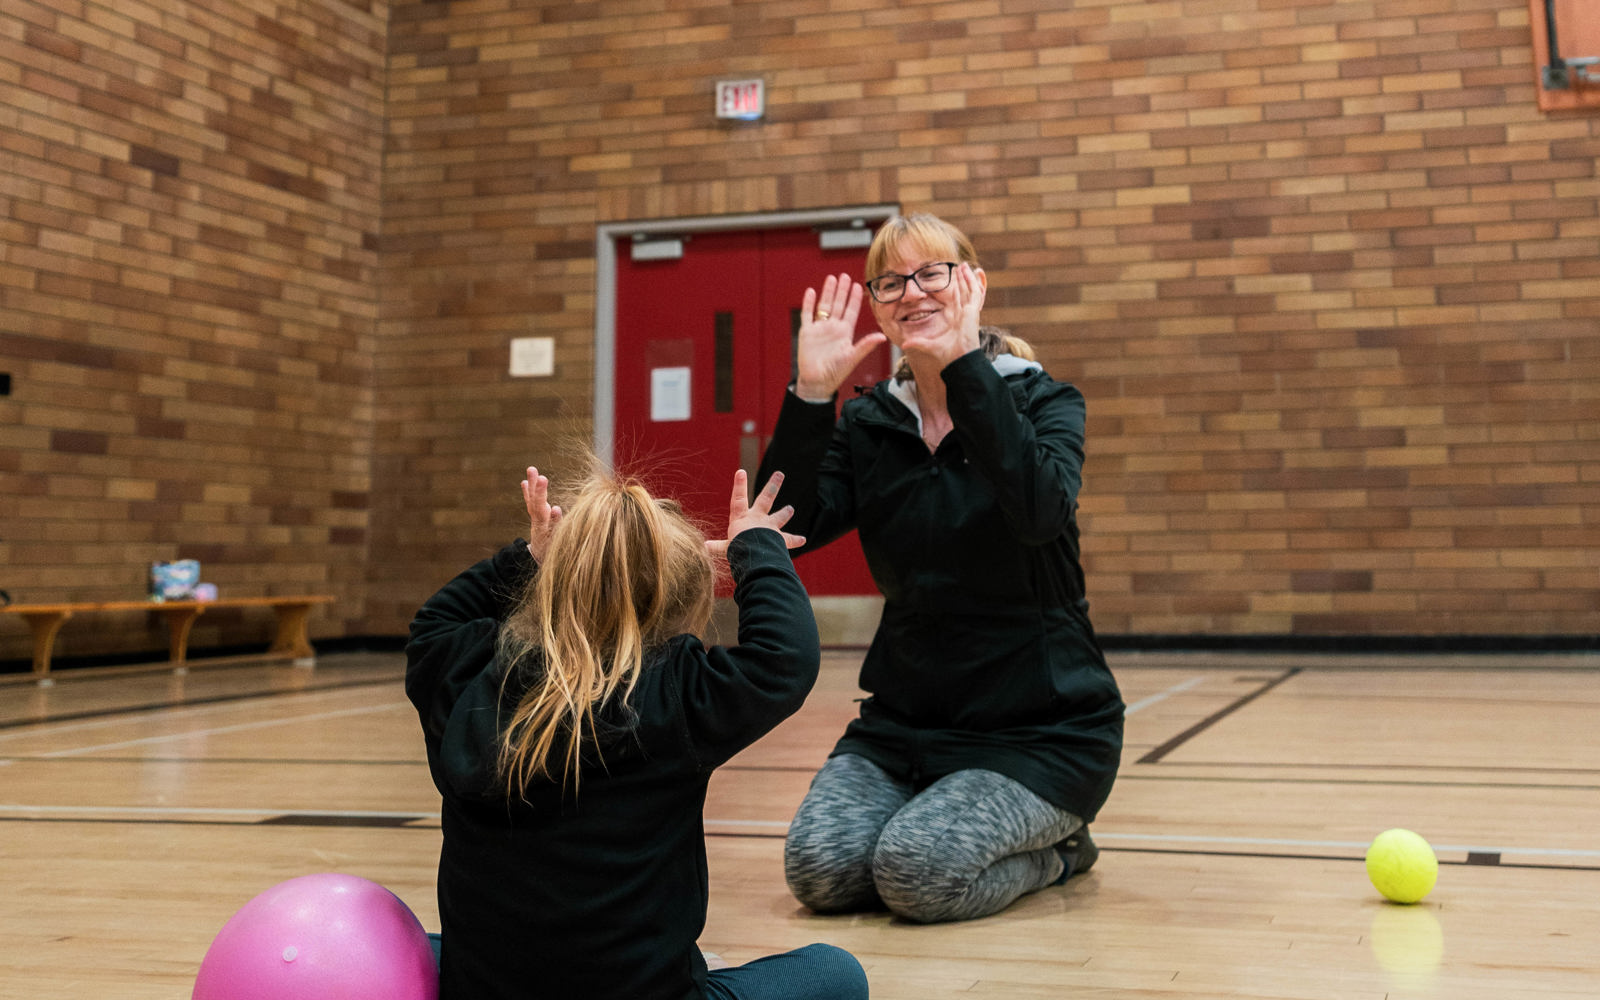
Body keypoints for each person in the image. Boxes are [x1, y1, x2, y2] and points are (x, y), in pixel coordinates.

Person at [757, 212, 1125, 925]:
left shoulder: (1045, 402)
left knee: (918, 875)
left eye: (933, 272)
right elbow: (788, 527)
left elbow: (1039, 513)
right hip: (905, 725)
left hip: (1042, 734)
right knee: (820, 873)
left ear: (974, 284)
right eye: (890, 281)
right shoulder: (872, 424)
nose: (911, 292)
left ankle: (1063, 850)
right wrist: (809, 396)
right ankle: (944, 817)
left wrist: (962, 368)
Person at [404, 462, 871, 1000]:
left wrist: (530, 556)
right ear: (676, 602)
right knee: (835, 972)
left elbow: (434, 622)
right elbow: (785, 659)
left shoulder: (464, 667)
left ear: (553, 579)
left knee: (429, 943)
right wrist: (756, 550)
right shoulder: (675, 692)